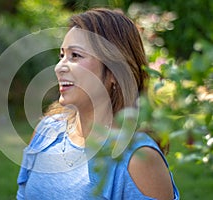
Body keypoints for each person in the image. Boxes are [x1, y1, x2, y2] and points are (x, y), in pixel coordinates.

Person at [16, 8, 179, 200]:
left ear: (114, 72)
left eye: (75, 55)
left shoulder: (138, 159)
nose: (59, 67)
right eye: (62, 56)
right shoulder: (46, 130)